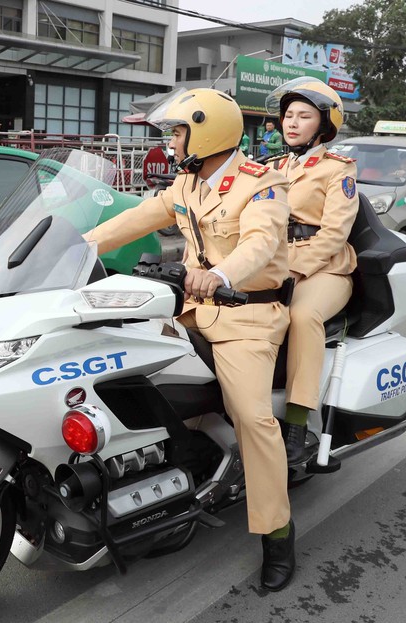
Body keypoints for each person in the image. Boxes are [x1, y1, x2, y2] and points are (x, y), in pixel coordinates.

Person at [88, 88, 297, 591]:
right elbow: (133, 220)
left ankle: (278, 533)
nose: (172, 143)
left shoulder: (261, 183)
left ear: (206, 133)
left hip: (247, 316)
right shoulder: (187, 184)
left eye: (178, 132)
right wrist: (71, 248)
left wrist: (221, 273)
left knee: (252, 416)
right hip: (185, 310)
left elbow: (260, 243)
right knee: (104, 365)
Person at [265, 77, 358, 466]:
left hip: (327, 268)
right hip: (273, 259)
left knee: (301, 315)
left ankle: (298, 424)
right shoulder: (271, 166)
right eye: (288, 115)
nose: (293, 122)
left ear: (323, 124)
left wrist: (297, 270)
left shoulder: (339, 168)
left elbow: (335, 233)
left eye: (304, 115)